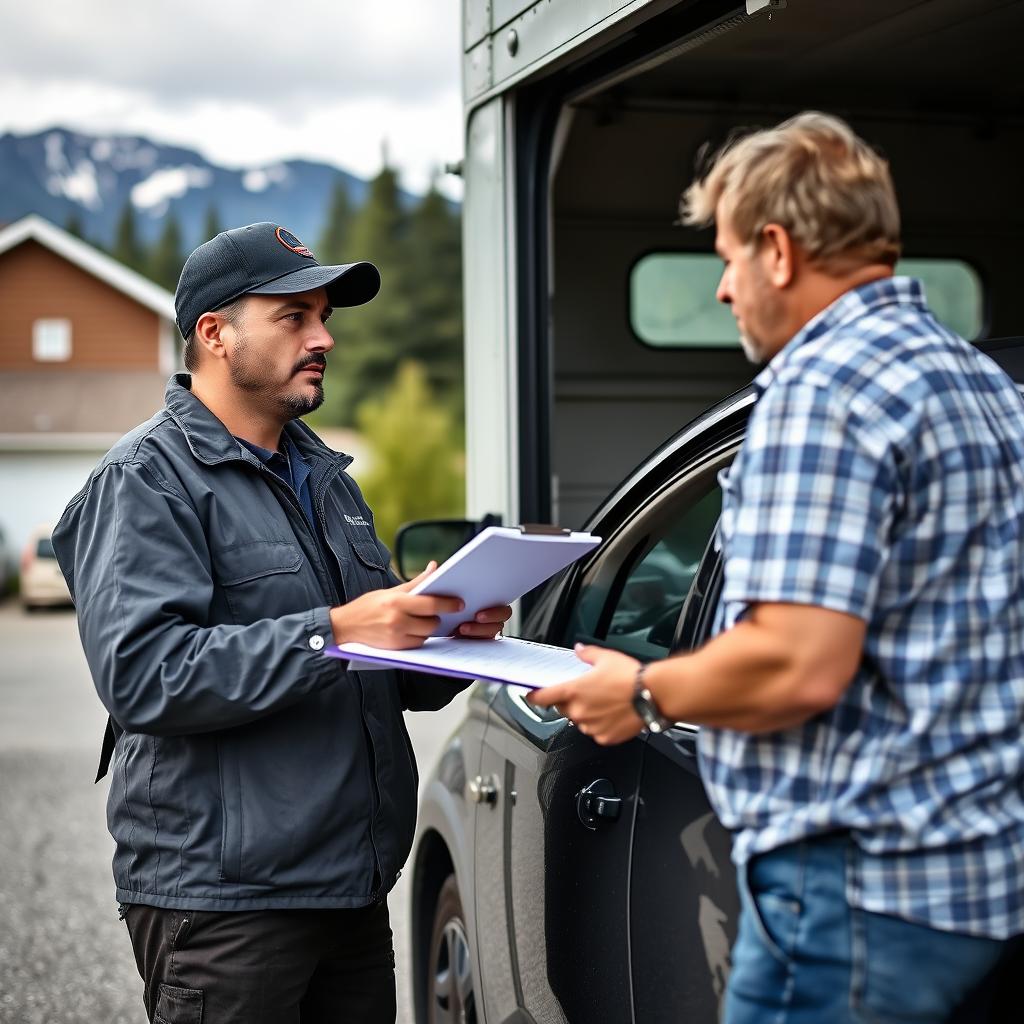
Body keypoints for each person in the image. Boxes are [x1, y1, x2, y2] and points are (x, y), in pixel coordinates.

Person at [530, 112, 1024, 1022]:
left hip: (852, 901)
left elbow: (798, 660)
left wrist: (639, 692)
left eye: (726, 258)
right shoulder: (981, 385)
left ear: (779, 248)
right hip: (976, 882)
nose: (723, 289)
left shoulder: (822, 390)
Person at [52, 222, 511, 1024]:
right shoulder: (143, 481)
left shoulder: (324, 475)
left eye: (323, 316)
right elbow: (147, 678)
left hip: (349, 890)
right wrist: (339, 630)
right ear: (215, 334)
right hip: (227, 909)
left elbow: (377, 673)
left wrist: (439, 635)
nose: (324, 336)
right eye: (293, 316)